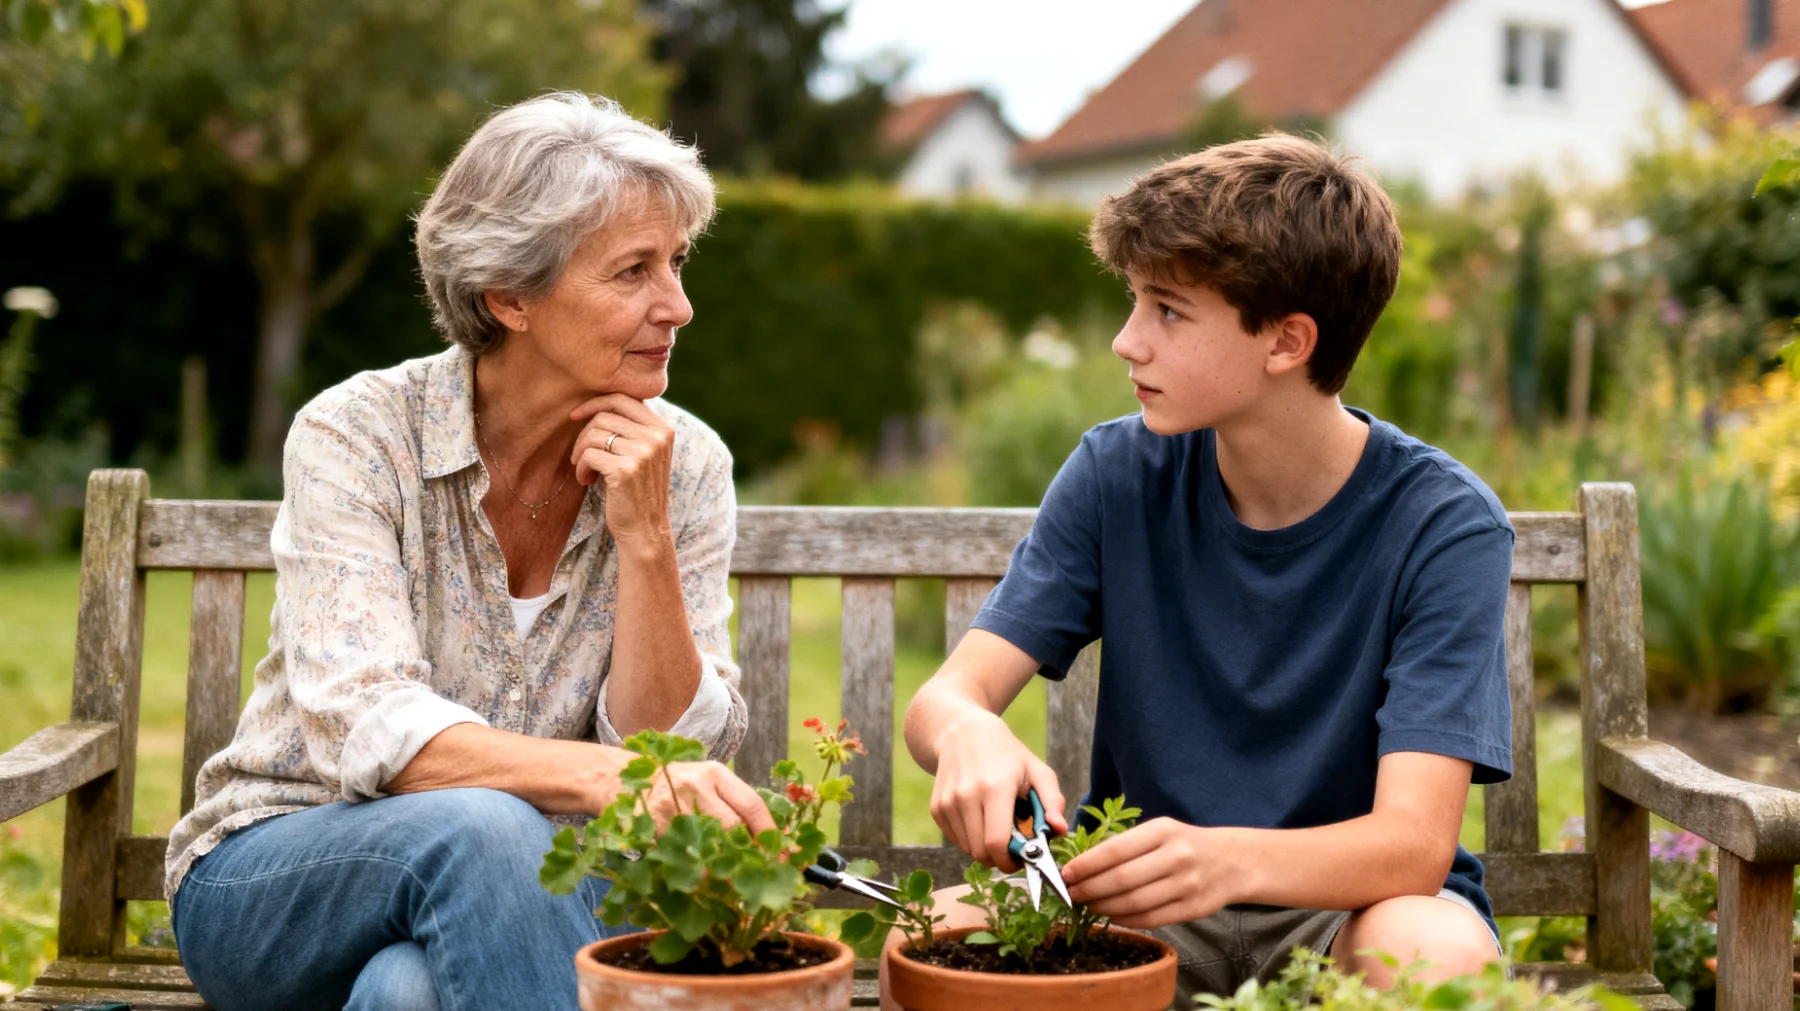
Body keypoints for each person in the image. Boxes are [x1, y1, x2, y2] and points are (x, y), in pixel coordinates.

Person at [165, 92, 773, 1011]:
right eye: (633, 271)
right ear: (508, 296)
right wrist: (612, 778)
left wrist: (644, 542)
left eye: (677, 262)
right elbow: (371, 726)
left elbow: (672, 747)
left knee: (407, 993)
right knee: (487, 828)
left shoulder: (684, 465)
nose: (679, 306)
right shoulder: (359, 434)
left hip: (553, 893)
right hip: (284, 874)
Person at [893, 135, 1513, 1005]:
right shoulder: (1117, 475)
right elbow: (944, 699)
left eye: (1167, 310)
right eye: (1134, 302)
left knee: (1434, 954)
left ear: (1287, 341)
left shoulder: (1443, 524)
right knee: (918, 946)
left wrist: (1225, 857)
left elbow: (1412, 844)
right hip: (1140, 913)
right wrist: (968, 733)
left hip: (1344, 909)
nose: (1125, 341)